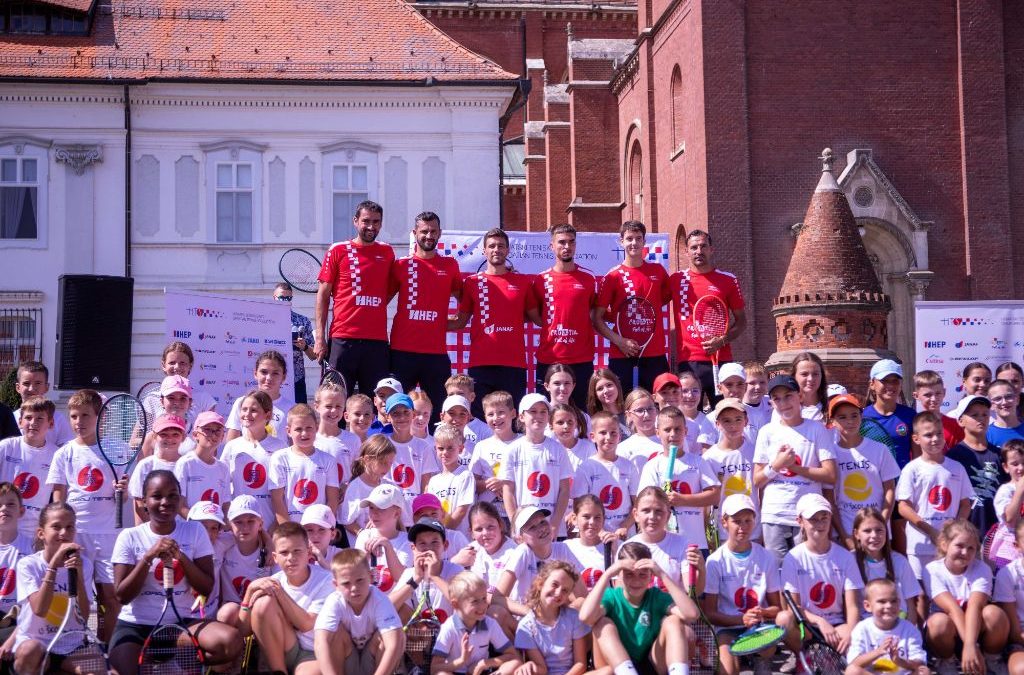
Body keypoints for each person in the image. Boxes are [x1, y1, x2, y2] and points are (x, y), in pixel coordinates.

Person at [108, 470, 240, 673]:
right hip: (135, 627)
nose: (165, 502)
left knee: (230, 642)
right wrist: (148, 557)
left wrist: (181, 557)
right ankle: (159, 662)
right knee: (123, 668)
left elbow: (206, 587)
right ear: (144, 501)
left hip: (181, 625)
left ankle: (177, 659)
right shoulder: (129, 537)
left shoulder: (194, 531)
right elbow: (121, 595)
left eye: (172, 495)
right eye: (157, 496)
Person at [46, 389, 124, 642]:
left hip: (109, 537)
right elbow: (59, 499)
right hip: (77, 537)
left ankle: (109, 653)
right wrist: (62, 536)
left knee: (110, 598)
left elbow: (130, 491)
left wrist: (123, 491)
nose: (79, 422)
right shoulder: (64, 453)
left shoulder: (118, 449)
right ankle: (77, 648)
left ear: (100, 416)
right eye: (74, 416)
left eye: (85, 415)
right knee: (77, 599)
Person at [449, 227, 536, 416]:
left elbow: (536, 317)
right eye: (492, 246)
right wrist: (429, 321)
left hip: (514, 364)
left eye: (501, 246)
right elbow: (460, 321)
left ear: (508, 250)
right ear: (484, 250)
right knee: (481, 420)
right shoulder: (472, 282)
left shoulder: (523, 282)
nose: (497, 249)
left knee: (512, 420)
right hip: (481, 363)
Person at [752, 375, 838, 564]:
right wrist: (777, 465)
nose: (783, 403)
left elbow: (830, 475)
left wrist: (795, 468)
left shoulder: (816, 429)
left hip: (808, 513)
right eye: (777, 398)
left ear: (800, 396)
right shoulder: (767, 431)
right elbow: (757, 480)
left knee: (808, 570)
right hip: (774, 514)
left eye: (788, 396)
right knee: (779, 573)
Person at [387, 212, 462, 426]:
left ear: (440, 233)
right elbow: (381, 299)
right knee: (399, 410)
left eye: (433, 231)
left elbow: (466, 299)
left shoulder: (449, 265)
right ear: (415, 233)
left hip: (435, 354)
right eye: (424, 231)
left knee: (438, 413)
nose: (429, 235)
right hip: (402, 352)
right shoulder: (401, 265)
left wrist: (457, 321)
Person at [579, 541, 697, 675]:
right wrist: (607, 574)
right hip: (614, 668)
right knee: (602, 623)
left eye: (642, 574)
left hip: (652, 663)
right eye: (629, 574)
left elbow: (692, 615)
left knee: (673, 621)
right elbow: (585, 617)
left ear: (651, 575)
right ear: (620, 574)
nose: (636, 581)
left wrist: (662, 575)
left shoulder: (655, 596)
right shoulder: (612, 596)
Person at [314, 200, 395, 396]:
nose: (371, 226)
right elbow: (323, 296)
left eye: (376, 222)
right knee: (336, 399)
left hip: (376, 342)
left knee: (375, 403)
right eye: (366, 221)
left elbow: (390, 289)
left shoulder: (387, 252)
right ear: (355, 221)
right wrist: (320, 339)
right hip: (343, 338)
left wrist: (372, 305)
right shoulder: (338, 250)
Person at [703, 494, 788, 675]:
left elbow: (777, 608)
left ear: (754, 521)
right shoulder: (714, 561)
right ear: (724, 522)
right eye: (737, 521)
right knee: (727, 671)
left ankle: (761, 659)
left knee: (767, 646)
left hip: (758, 626)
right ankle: (739, 656)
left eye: (748, 521)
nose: (743, 527)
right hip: (727, 628)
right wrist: (740, 619)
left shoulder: (766, 557)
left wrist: (762, 613)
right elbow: (709, 613)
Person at [11, 502, 94, 675]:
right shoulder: (28, 565)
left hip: (71, 644)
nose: (64, 533)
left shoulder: (83, 564)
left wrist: (77, 575)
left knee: (101, 671)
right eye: (56, 527)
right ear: (41, 533)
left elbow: (83, 617)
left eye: (69, 527)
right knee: (28, 652)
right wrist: (53, 567)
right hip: (36, 642)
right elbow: (40, 610)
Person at [245, 521, 335, 675]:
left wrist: (279, 592)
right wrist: (249, 591)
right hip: (287, 648)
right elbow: (243, 630)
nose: (291, 558)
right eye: (284, 552)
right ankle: (278, 671)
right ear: (275, 557)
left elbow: (307, 624)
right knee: (262, 604)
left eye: (297, 551)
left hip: (314, 652)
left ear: (308, 553)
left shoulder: (326, 580)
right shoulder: (275, 580)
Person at [781, 493, 864, 658]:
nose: (819, 524)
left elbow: (853, 605)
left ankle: (823, 656)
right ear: (800, 522)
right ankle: (804, 656)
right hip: (807, 626)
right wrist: (819, 621)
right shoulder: (792, 558)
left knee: (855, 633)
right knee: (783, 619)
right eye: (813, 519)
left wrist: (850, 633)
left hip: (838, 626)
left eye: (824, 518)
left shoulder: (845, 557)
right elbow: (793, 608)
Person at [592, 221, 671, 394]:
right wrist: (620, 341)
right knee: (622, 409)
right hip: (622, 355)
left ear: (644, 241)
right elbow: (597, 318)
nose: (634, 243)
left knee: (659, 407)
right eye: (629, 239)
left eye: (638, 238)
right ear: (621, 242)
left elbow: (660, 301)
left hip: (655, 353)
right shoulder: (612, 277)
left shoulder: (658, 271)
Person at [669, 229, 746, 406]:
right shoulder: (676, 280)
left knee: (726, 411)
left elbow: (742, 322)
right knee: (688, 414)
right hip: (689, 361)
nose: (699, 251)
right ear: (686, 252)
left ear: (712, 249)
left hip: (721, 359)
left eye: (703, 246)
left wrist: (723, 340)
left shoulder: (728, 280)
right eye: (694, 247)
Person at [897, 411, 974, 585]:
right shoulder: (912, 469)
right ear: (916, 439)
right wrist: (930, 530)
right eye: (928, 435)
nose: (935, 439)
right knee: (922, 593)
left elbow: (965, 504)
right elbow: (903, 506)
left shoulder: (957, 468)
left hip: (950, 545)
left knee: (949, 588)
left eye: (939, 433)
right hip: (920, 545)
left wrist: (954, 528)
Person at [923, 519, 1008, 675]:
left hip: (976, 633)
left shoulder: (982, 568)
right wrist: (970, 646)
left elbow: (975, 605)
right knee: (938, 622)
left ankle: (991, 658)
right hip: (950, 633)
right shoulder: (932, 570)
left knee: (994, 613)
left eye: (971, 548)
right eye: (959, 546)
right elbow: (953, 609)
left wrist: (972, 644)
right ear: (944, 545)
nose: (965, 552)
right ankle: (947, 660)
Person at [527, 224, 598, 409]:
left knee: (582, 415)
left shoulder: (589, 278)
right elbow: (536, 317)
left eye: (571, 242)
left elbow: (594, 314)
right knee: (548, 414)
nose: (567, 246)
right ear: (552, 246)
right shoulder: (541, 280)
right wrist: (556, 326)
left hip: (581, 360)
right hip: (549, 359)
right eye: (562, 242)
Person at [637, 406, 720, 553]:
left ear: (685, 431)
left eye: (678, 429)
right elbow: (644, 501)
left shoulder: (698, 462)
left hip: (695, 543)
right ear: (657, 433)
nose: (673, 434)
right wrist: (663, 499)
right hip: (663, 544)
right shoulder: (652, 466)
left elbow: (714, 496)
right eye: (667, 430)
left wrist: (683, 499)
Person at [313, 549, 405, 675]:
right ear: (336, 585)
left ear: (371, 577)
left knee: (396, 634)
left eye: (360, 580)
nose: (354, 588)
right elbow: (320, 642)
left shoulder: (379, 599)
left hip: (373, 660)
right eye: (346, 583)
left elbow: (393, 644)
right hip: (347, 659)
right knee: (333, 633)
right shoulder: (334, 601)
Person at [827, 394, 900, 547]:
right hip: (846, 532)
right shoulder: (829, 454)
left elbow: (890, 490)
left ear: (861, 417)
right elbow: (830, 499)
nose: (850, 421)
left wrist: (881, 526)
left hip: (877, 535)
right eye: (842, 417)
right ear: (832, 421)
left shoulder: (880, 450)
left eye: (854, 415)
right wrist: (844, 535)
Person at [499, 394, 573, 540]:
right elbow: (508, 492)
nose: (538, 416)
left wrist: (555, 525)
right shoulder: (512, 450)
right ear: (521, 417)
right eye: (532, 411)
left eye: (543, 412)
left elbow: (564, 490)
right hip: (525, 532)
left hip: (553, 530)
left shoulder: (558, 449)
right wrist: (517, 527)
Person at [495, 506, 585, 617]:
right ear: (520, 538)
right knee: (496, 612)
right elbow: (497, 597)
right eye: (532, 527)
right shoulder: (523, 552)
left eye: (542, 522)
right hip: (526, 620)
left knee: (582, 604)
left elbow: (582, 595)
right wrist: (531, 614)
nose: (541, 528)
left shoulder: (562, 549)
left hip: (553, 616)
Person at [433, 571, 521, 675]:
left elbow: (512, 655)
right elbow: (434, 668)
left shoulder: (490, 623)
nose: (483, 606)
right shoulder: (449, 627)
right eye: (474, 601)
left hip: (481, 671)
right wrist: (461, 661)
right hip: (455, 671)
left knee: (516, 663)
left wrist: (483, 664)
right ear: (455, 604)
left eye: (484, 599)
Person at [221, 390, 288, 527]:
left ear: (267, 415)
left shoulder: (280, 447)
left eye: (253, 410)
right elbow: (222, 487)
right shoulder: (232, 447)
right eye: (244, 409)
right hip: (240, 525)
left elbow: (285, 493)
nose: (247, 414)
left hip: (270, 524)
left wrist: (276, 524)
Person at [513, 561, 591, 675]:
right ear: (540, 583)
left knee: (607, 671)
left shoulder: (573, 618)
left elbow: (580, 663)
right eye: (554, 584)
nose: (558, 592)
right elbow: (542, 669)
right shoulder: (526, 626)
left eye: (565, 590)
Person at [269, 404, 341, 524]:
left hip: (317, 530)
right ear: (288, 431)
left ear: (316, 428)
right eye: (298, 429)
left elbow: (332, 500)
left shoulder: (328, 460)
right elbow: (277, 499)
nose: (304, 433)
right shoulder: (279, 458)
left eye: (309, 428)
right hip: (291, 529)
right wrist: (289, 531)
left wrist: (322, 528)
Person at [947, 394, 1006, 537]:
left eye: (985, 414)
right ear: (961, 421)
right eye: (974, 415)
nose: (981, 418)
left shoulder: (999, 455)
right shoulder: (952, 457)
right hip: (964, 533)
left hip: (996, 534)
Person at [851, 508, 922, 626]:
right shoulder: (850, 561)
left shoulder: (899, 561)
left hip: (899, 628)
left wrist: (905, 632)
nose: (874, 535)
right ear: (856, 534)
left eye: (879, 530)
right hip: (866, 630)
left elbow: (911, 607)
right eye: (867, 531)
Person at [0, 395, 58, 537]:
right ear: (20, 422)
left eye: (40, 418)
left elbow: (58, 495)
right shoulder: (6, 447)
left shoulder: (57, 455)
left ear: (50, 424)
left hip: (33, 533)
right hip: (3, 529)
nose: (33, 423)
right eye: (28, 418)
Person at [846, 578, 929, 675]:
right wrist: (878, 652)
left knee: (924, 671)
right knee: (852, 671)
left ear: (899, 603)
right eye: (882, 601)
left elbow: (919, 663)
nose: (889, 605)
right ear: (868, 606)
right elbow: (853, 662)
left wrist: (899, 661)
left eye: (893, 601)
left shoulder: (909, 629)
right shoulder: (862, 628)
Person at [574, 410, 638, 535]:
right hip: (595, 537)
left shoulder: (629, 466)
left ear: (620, 436)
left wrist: (624, 526)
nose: (608, 437)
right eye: (603, 433)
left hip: (624, 535)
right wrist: (600, 531)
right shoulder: (585, 468)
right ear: (592, 437)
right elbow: (579, 506)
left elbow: (637, 504)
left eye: (613, 433)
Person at [225, 351, 295, 444]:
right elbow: (231, 443)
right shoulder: (242, 402)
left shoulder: (292, 409)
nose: (269, 378)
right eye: (264, 372)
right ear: (255, 373)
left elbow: (294, 447)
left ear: (283, 377)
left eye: (275, 373)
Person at [128, 413, 186, 524]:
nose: (170, 438)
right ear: (154, 436)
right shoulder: (145, 465)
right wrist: (157, 529)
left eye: (175, 434)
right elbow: (139, 504)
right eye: (163, 434)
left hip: (183, 531)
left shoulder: (189, 464)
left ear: (183, 437)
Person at [862, 359, 916, 468]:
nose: (890, 385)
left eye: (895, 381)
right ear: (872, 384)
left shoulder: (911, 416)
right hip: (871, 483)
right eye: (885, 380)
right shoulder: (861, 417)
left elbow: (917, 458)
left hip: (902, 483)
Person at [175, 410, 231, 512]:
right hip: (191, 526)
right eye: (208, 429)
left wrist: (220, 525)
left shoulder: (224, 468)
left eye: (218, 430)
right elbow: (179, 505)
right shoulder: (185, 464)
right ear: (196, 435)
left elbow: (226, 505)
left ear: (222, 436)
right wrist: (200, 524)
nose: (213, 435)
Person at [12, 361, 72, 446]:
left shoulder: (58, 419)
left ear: (46, 387)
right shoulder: (11, 418)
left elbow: (65, 450)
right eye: (26, 383)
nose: (31, 389)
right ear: (18, 387)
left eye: (38, 383)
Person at [274, 282, 316, 405]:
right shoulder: (265, 320)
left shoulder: (302, 321)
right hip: (272, 377)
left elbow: (314, 355)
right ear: (274, 297)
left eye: (288, 298)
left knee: (299, 416)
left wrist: (305, 346)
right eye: (281, 298)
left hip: (296, 378)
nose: (285, 301)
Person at [911, 370, 964, 451]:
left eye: (938, 393)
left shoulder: (955, 425)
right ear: (916, 395)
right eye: (927, 395)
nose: (934, 399)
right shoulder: (912, 424)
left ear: (944, 392)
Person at [988, 378, 1024, 447]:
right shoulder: (986, 435)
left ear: (1017, 400)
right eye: (998, 399)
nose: (1004, 402)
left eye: (1009, 397)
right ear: (991, 405)